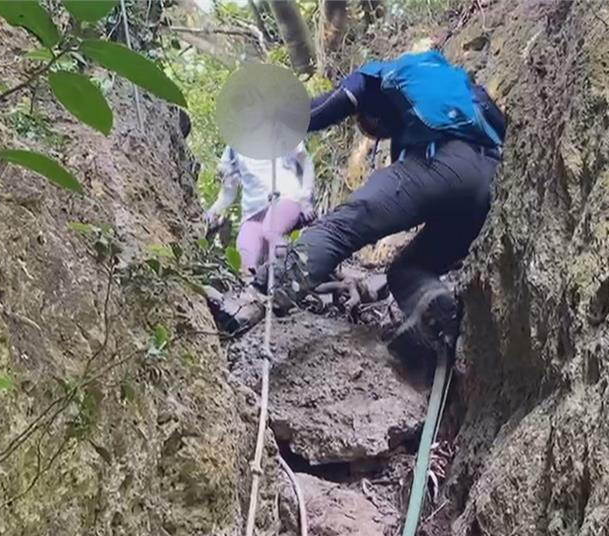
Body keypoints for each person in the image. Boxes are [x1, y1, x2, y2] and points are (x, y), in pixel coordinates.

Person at [255, 48, 508, 364]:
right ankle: (432, 315)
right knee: (409, 270)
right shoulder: (457, 85)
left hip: (440, 162)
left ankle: (266, 290)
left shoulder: (374, 73)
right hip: (492, 182)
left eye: (372, 129)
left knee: (340, 227)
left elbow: (331, 106)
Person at [204, 142, 316, 275]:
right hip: (253, 213)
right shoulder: (233, 149)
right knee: (245, 260)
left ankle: (297, 273)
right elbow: (229, 191)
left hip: (286, 198)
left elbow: (305, 161)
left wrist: (306, 198)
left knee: (271, 232)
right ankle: (257, 289)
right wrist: (212, 211)